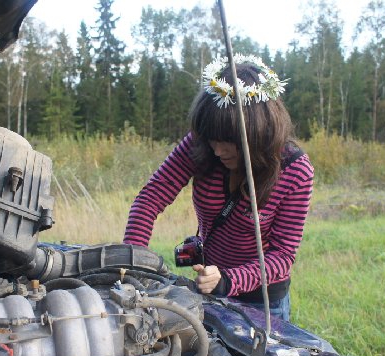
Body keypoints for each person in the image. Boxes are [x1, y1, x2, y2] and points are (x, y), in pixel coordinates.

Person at [123, 54, 314, 322]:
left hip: (262, 300)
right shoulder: (201, 144)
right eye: (211, 138)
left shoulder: (294, 170)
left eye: (228, 140)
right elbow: (151, 198)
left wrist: (227, 280)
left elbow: (282, 256)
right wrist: (133, 259)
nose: (217, 149)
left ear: (258, 132)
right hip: (210, 287)